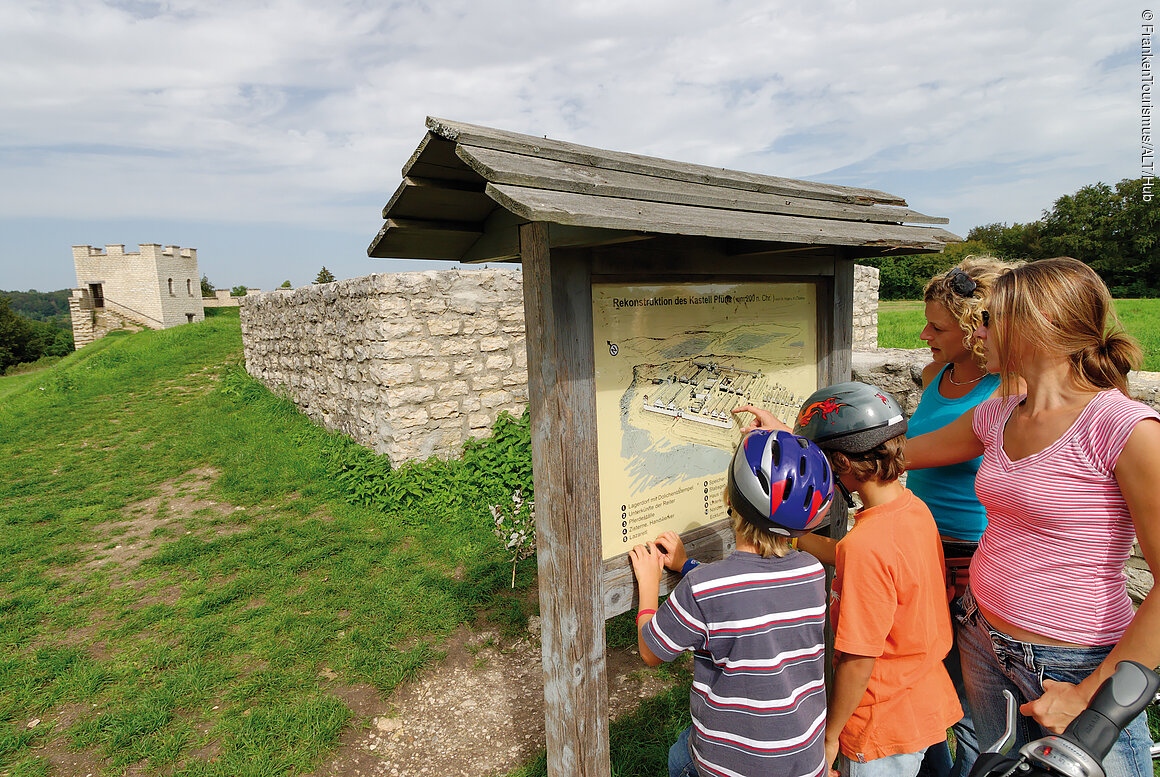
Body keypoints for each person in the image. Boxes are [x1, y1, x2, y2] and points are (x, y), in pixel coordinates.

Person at [904, 257, 1160, 776]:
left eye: (991, 319)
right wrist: (802, 440)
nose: (978, 333)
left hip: (1073, 666)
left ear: (1037, 326)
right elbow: (900, 455)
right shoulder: (996, 413)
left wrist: (1091, 696)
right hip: (983, 640)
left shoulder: (1124, 429)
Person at [629, 428, 832, 777]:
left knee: (680, 757)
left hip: (731, 766)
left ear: (728, 496)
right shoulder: (812, 571)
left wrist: (649, 588)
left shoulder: (704, 589)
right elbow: (748, 589)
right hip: (803, 759)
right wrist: (686, 565)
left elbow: (651, 651)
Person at [790, 381, 962, 777]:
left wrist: (831, 734)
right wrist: (798, 538)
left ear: (843, 464)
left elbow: (857, 658)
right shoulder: (913, 509)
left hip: (878, 723)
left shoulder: (866, 546)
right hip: (922, 698)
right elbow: (861, 561)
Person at [908, 257, 1015, 777]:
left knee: (974, 699)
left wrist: (818, 447)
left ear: (977, 332)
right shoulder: (936, 374)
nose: (924, 333)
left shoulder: (1004, 394)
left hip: (968, 559)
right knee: (923, 677)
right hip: (919, 546)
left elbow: (905, 454)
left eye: (938, 326)